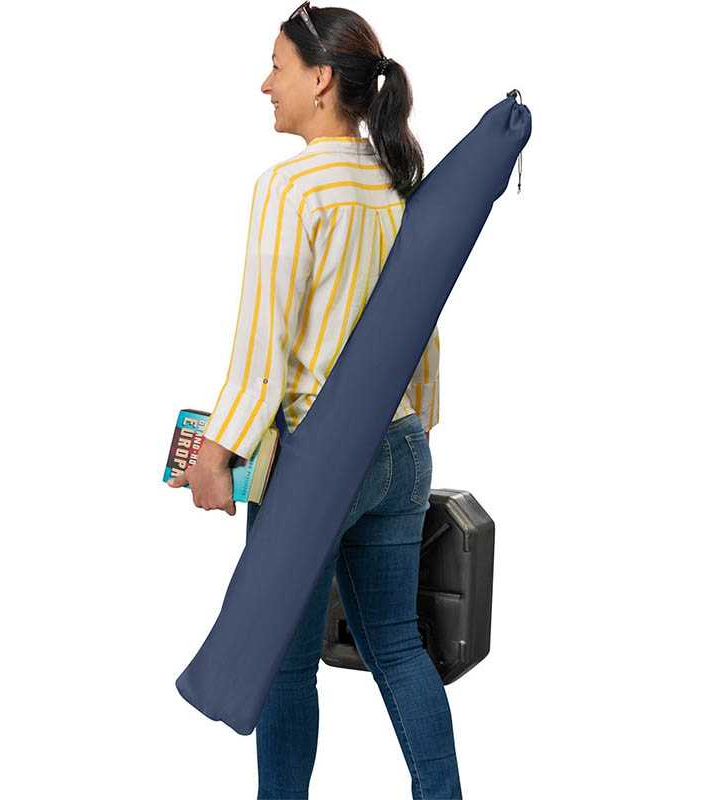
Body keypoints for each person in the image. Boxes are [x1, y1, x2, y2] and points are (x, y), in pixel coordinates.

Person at [169, 4, 460, 798]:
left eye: (277, 66)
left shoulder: (291, 189)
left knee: (287, 666)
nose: (266, 84)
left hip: (316, 463)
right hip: (402, 446)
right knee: (397, 646)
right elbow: (422, 331)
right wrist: (415, 428)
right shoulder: (395, 185)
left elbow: (261, 350)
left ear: (322, 78)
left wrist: (217, 453)